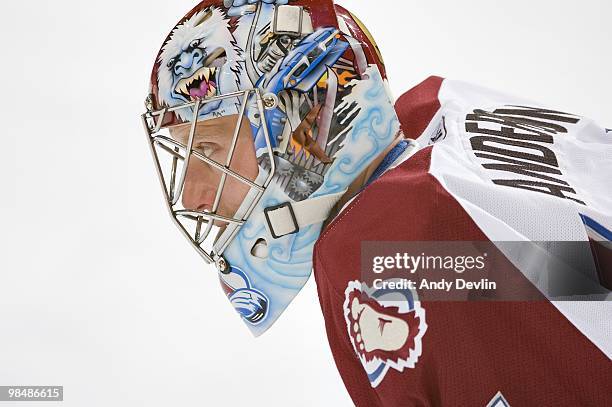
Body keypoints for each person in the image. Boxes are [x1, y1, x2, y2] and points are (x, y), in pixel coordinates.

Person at [141, 0, 612, 405]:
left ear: (301, 113)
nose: (193, 196)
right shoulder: (440, 116)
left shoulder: (396, 245)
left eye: (209, 150)